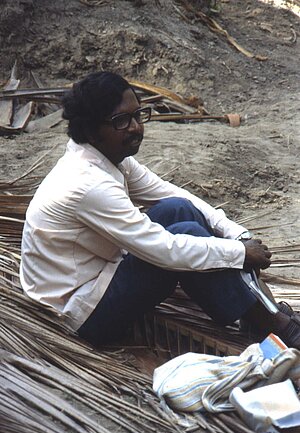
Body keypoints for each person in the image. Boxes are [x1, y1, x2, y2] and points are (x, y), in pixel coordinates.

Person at [20, 71, 300, 348]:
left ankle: (255, 313)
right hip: (80, 311)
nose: (136, 127)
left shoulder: (108, 157)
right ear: (92, 129)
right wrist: (239, 254)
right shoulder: (87, 184)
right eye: (121, 121)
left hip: (99, 273)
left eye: (137, 116)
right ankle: (270, 324)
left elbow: (172, 194)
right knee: (186, 234)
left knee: (178, 209)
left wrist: (237, 235)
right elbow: (162, 249)